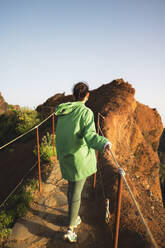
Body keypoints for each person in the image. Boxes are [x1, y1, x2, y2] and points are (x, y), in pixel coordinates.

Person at [55, 82, 112, 243]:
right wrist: (104, 143)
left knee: (72, 190)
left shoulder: (64, 111)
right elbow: (90, 136)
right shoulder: (86, 113)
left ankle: (74, 218)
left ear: (74, 95)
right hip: (79, 159)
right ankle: (70, 229)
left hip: (65, 157)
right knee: (76, 194)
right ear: (87, 96)